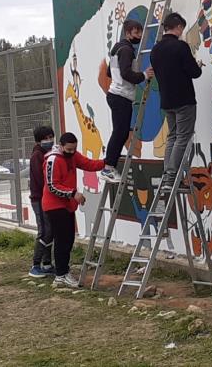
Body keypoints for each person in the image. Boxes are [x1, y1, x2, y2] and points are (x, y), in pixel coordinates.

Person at [43, 132, 104, 287]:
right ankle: (61, 274)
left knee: (68, 239)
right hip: (54, 205)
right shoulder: (53, 159)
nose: (71, 152)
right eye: (69, 149)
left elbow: (88, 164)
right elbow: (52, 186)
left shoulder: (73, 156)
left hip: (68, 205)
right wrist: (73, 193)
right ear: (61, 146)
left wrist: (107, 162)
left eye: (74, 149)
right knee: (62, 240)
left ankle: (63, 271)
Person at [150, 12, 203, 187]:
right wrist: (197, 65)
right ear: (178, 27)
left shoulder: (155, 50)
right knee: (183, 137)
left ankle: (167, 175)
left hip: (166, 100)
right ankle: (172, 176)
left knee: (172, 136)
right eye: (182, 28)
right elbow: (194, 73)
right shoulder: (181, 47)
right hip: (184, 99)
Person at [101, 19, 154, 183]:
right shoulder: (126, 50)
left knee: (121, 131)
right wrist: (143, 75)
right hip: (121, 95)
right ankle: (108, 167)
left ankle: (109, 166)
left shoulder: (117, 48)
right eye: (136, 32)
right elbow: (125, 73)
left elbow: (110, 72)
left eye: (140, 32)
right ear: (128, 32)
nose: (139, 35)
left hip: (116, 94)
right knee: (120, 132)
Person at [28, 125, 55, 278]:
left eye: (51, 137)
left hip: (47, 198)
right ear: (39, 141)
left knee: (50, 231)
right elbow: (41, 179)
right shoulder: (38, 156)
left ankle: (47, 263)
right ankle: (35, 265)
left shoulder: (47, 153)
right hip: (40, 199)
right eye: (46, 138)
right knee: (44, 231)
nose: (49, 140)